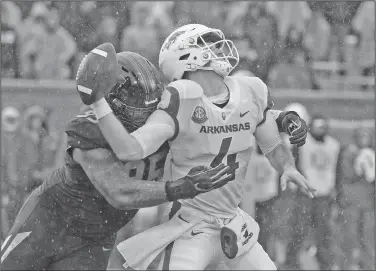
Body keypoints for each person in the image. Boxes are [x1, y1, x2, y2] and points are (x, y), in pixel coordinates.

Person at [81, 24, 314, 270]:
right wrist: (98, 104)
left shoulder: (251, 89)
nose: (217, 49)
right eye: (207, 44)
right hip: (190, 225)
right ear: (189, 57)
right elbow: (131, 150)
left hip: (233, 221)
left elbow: (272, 144)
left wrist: (288, 166)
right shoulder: (180, 97)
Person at [1, 48, 232, 270]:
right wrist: (180, 187)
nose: (147, 114)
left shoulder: (166, 124)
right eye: (138, 104)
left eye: (153, 103)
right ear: (113, 101)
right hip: (50, 221)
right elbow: (120, 193)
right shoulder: (90, 129)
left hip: (95, 236)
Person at [294, 115, 341, 270]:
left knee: (324, 233)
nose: (320, 129)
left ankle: (325, 264)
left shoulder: (334, 145)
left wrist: (336, 191)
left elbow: (338, 170)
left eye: (322, 126)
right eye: (316, 126)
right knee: (300, 230)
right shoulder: (302, 144)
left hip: (324, 195)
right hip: (305, 194)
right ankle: (292, 263)